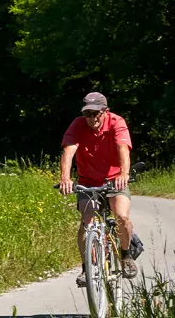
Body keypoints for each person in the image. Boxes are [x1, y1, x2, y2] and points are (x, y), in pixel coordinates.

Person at [58, 91, 137, 283]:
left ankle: (126, 256)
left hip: (114, 179)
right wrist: (65, 178)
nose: (92, 118)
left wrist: (124, 174)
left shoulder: (116, 122)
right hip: (87, 181)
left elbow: (123, 149)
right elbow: (69, 151)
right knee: (87, 221)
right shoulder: (78, 124)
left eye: (96, 114)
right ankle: (86, 268)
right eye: (87, 114)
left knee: (122, 216)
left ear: (105, 111)